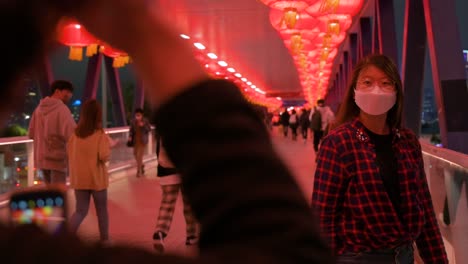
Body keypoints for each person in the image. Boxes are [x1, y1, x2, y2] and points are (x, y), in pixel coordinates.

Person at [0, 0, 333, 263]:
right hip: (102, 170)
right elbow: (282, 251)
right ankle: (181, 235)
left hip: (127, 167)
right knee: (175, 205)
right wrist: (143, 32)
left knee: (159, 202)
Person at [312, 54, 448, 263]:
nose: (376, 89)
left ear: (396, 93)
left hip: (404, 256)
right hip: (359, 258)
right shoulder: (338, 143)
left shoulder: (408, 141)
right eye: (367, 82)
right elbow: (323, 217)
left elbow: (426, 211)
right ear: (354, 91)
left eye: (386, 83)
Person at [67, 99, 111, 242]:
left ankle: (64, 237)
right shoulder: (100, 135)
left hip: (79, 180)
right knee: (102, 212)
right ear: (98, 115)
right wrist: (110, 145)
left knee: (80, 211)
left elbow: (69, 153)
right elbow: (104, 157)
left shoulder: (74, 135)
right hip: (97, 180)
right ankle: (104, 241)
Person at [153, 133, 198, 253]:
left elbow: (157, 149)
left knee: (167, 204)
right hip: (185, 170)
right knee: (189, 205)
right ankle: (191, 235)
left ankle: (159, 232)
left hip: (165, 169)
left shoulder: (164, 125)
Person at [28, 80, 77, 185]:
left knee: (49, 193)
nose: (70, 95)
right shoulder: (62, 109)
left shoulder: (38, 109)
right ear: (57, 91)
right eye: (67, 92)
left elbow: (31, 133)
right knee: (58, 194)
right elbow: (72, 134)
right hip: (57, 158)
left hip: (41, 158)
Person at [128, 108, 151, 177]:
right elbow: (131, 130)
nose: (137, 117)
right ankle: (141, 165)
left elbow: (149, 129)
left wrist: (143, 125)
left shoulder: (145, 121)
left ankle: (139, 172)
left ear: (142, 115)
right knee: (135, 154)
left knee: (139, 156)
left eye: (139, 115)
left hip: (142, 141)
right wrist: (130, 136)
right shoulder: (133, 121)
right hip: (135, 141)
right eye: (136, 115)